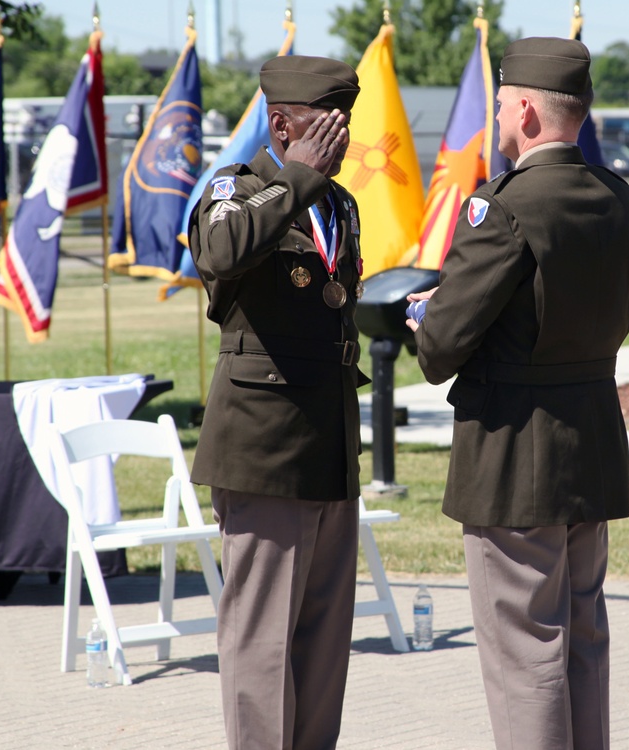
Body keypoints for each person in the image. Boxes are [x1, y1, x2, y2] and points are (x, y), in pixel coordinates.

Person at [406, 37, 629, 750]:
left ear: (526, 111)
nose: (500, 118)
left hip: (514, 454)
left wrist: (428, 311)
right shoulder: (618, 199)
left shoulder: (503, 209)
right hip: (592, 445)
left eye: (504, 105)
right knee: (582, 642)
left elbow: (438, 349)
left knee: (526, 656)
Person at [187, 55, 366, 750]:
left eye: (346, 125)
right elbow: (220, 250)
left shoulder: (338, 204)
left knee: (323, 648)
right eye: (327, 126)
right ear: (281, 122)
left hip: (328, 449)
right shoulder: (241, 186)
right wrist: (297, 179)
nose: (340, 141)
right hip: (262, 453)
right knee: (261, 646)